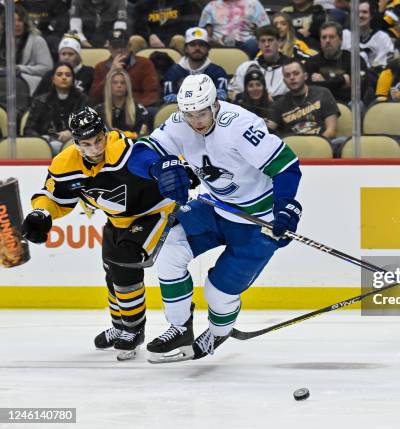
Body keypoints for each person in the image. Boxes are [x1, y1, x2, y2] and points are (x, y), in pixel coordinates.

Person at [126, 74, 302, 363]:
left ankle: (219, 332)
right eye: (189, 114)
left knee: (217, 293)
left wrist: (285, 207)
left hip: (258, 220)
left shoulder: (240, 126)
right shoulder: (180, 123)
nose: (196, 120)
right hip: (217, 208)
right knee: (169, 244)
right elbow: (140, 153)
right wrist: (160, 169)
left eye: (202, 112)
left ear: (215, 104)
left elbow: (287, 166)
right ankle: (180, 327)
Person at [21, 106, 174, 360]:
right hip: (119, 220)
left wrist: (173, 170)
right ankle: (120, 325)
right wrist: (42, 214)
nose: (96, 148)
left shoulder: (125, 149)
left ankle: (134, 329)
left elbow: (154, 157)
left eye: (99, 139)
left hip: (156, 211)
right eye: (87, 143)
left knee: (124, 260)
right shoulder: (65, 164)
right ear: (76, 143)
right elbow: (55, 198)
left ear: (105, 132)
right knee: (111, 269)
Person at [24, 62, 89, 155]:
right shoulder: (40, 101)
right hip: (46, 144)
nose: (64, 77)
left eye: (68, 75)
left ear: (73, 79)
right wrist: (43, 140)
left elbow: (89, 127)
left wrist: (72, 133)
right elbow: (28, 129)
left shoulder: (83, 100)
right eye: (59, 74)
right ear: (53, 79)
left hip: (75, 145)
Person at [269, 59, 339, 139]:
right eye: (287, 75)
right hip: (294, 147)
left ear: (305, 76)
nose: (292, 78)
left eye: (296, 73)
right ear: (284, 81)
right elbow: (269, 130)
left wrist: (318, 145)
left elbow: (332, 130)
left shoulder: (323, 93)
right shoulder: (279, 104)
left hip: (322, 143)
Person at [89, 30, 160, 107]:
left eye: (123, 46)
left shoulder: (145, 63)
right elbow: (94, 97)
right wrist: (110, 73)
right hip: (109, 108)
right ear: (109, 48)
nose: (119, 50)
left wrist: (135, 108)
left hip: (138, 107)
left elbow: (152, 93)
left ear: (129, 46)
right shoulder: (100, 67)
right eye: (115, 46)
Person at [305, 21, 368, 105]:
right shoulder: (312, 62)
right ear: (320, 40)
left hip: (347, 104)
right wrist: (343, 80)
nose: (327, 41)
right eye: (324, 37)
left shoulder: (354, 59)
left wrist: (324, 81)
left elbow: (360, 89)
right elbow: (310, 91)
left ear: (340, 39)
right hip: (321, 105)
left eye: (331, 37)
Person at [162, 27, 229, 103]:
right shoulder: (173, 71)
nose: (197, 48)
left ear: (208, 49)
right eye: (193, 45)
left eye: (202, 45)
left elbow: (221, 98)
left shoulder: (218, 71)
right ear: (186, 48)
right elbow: (169, 98)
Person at [229, 26, 290, 100]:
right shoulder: (245, 67)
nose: (267, 44)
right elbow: (232, 93)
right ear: (258, 44)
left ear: (279, 42)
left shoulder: (290, 67)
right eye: (263, 41)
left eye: (270, 40)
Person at [198, 0, 270, 58]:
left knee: (253, 43)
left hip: (247, 46)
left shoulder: (254, 4)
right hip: (219, 47)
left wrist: (257, 34)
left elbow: (266, 30)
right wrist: (215, 41)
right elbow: (203, 36)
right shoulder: (211, 6)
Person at [8, 5, 53, 95]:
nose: (17, 24)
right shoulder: (3, 41)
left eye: (20, 20)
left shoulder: (37, 40)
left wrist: (21, 68)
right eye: (13, 21)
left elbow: (47, 69)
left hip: (30, 83)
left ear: (25, 22)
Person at [95, 68, 151, 137]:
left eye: (123, 83)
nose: (119, 85)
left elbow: (143, 136)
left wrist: (124, 135)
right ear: (109, 86)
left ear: (127, 86)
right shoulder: (99, 110)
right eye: (115, 83)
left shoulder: (139, 109)